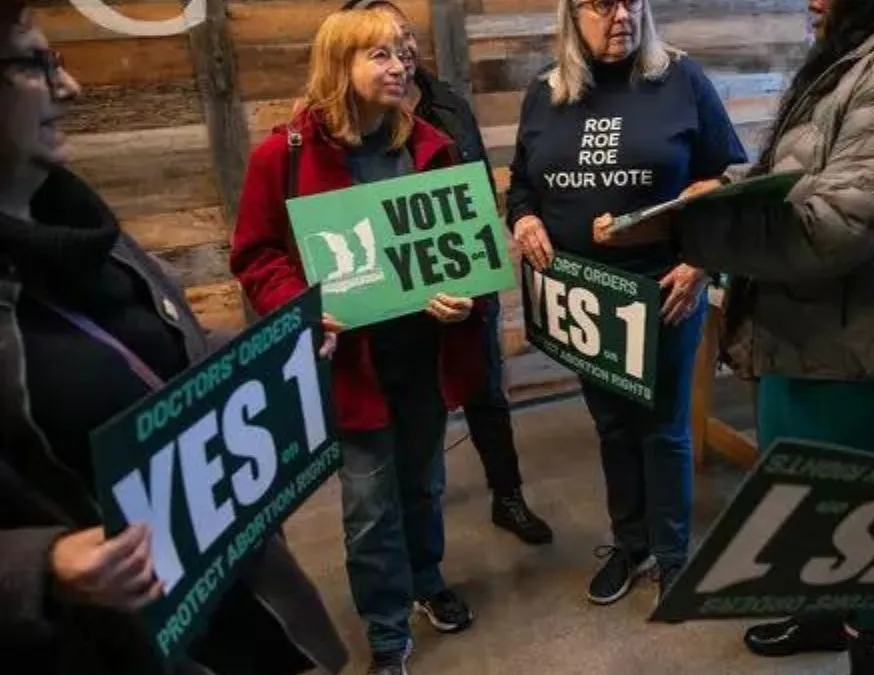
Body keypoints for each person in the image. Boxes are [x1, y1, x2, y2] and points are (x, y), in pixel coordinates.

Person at [596, 0, 874, 672]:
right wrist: (721, 190)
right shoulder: (863, 49)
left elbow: (834, 226)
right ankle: (820, 618)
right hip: (815, 331)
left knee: (862, 532)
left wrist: (688, 230)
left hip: (868, 344)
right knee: (807, 509)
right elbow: (801, 169)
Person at [0, 4, 348, 674]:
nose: (69, 88)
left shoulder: (84, 229)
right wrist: (39, 566)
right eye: (35, 64)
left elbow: (169, 359)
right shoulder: (284, 153)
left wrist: (273, 350)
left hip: (232, 607)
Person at [231, 9, 479, 675]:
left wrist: (462, 297)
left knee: (424, 483)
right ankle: (387, 629)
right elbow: (255, 255)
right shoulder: (282, 155)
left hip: (422, 355)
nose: (400, 66)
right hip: (351, 368)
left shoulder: (430, 145)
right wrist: (302, 306)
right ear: (339, 65)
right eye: (380, 55)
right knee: (369, 506)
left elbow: (457, 249)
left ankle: (426, 580)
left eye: (403, 52)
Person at [506, 0, 746, 605]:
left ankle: (673, 557)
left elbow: (728, 178)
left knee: (663, 428)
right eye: (602, 4)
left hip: (663, 290)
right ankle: (630, 544)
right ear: (572, 14)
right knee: (612, 427)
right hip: (583, 296)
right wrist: (524, 218)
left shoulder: (682, 80)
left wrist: (700, 262)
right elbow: (523, 183)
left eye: (632, 1)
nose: (621, 15)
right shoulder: (545, 92)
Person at [340, 0, 554, 546]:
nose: (403, 50)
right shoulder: (345, 123)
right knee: (406, 419)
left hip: (461, 275)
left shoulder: (449, 105)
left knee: (486, 389)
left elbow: (477, 187)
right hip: (394, 292)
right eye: (385, 43)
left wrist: (480, 266)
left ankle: (508, 495)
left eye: (406, 36)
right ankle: (406, 524)